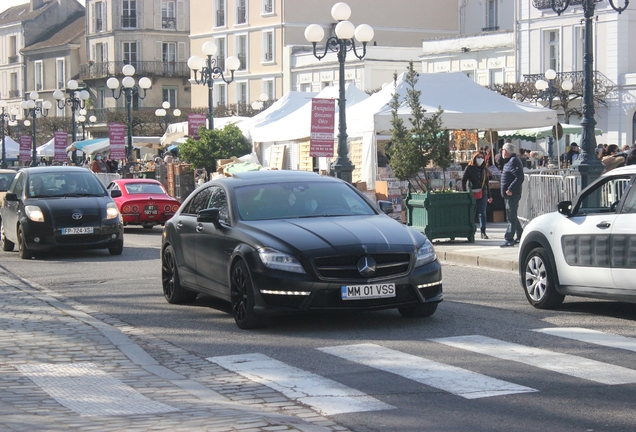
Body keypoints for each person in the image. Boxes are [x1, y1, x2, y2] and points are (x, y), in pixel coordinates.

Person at [462, 152, 493, 239]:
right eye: (478, 157)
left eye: (481, 157)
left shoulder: (484, 169)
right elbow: (463, 180)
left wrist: (490, 196)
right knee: (472, 212)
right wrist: (465, 192)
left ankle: (483, 232)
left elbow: (486, 183)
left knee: (482, 213)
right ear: (474, 158)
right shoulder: (469, 168)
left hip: (483, 193)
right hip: (472, 193)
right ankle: (471, 230)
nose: (480, 159)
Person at [500, 142, 524, 248]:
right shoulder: (510, 161)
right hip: (509, 194)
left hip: (512, 194)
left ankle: (509, 238)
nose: (502, 152)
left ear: (507, 151)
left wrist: (510, 189)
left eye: (503, 150)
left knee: (511, 217)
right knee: (512, 215)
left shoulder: (513, 161)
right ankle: (521, 235)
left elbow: (519, 177)